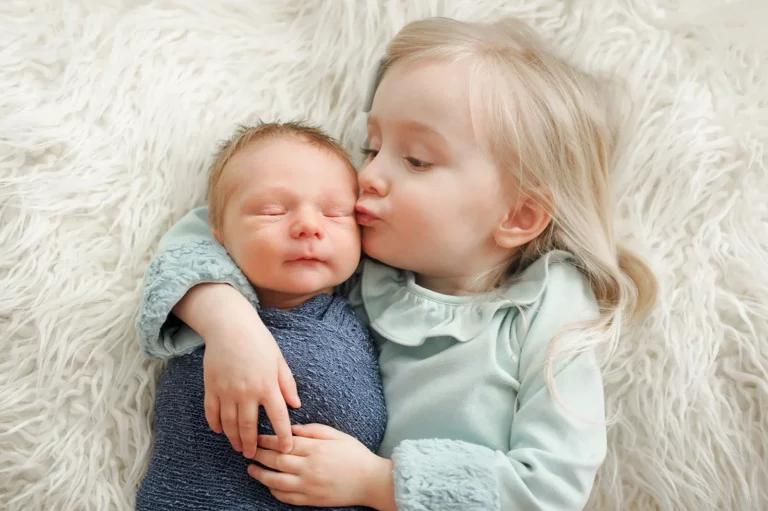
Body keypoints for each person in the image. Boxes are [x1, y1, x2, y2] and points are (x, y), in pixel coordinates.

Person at [136, 16, 657, 511]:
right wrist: (231, 326)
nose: (367, 175)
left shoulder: (548, 307)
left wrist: (377, 481)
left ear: (518, 215)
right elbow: (209, 229)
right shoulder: (360, 255)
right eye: (372, 147)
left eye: (416, 160)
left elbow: (550, 489)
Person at [136, 122, 387, 511]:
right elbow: (172, 271)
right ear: (219, 234)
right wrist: (228, 329)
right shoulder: (198, 303)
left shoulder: (377, 303)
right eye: (273, 211)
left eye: (335, 212)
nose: (309, 226)